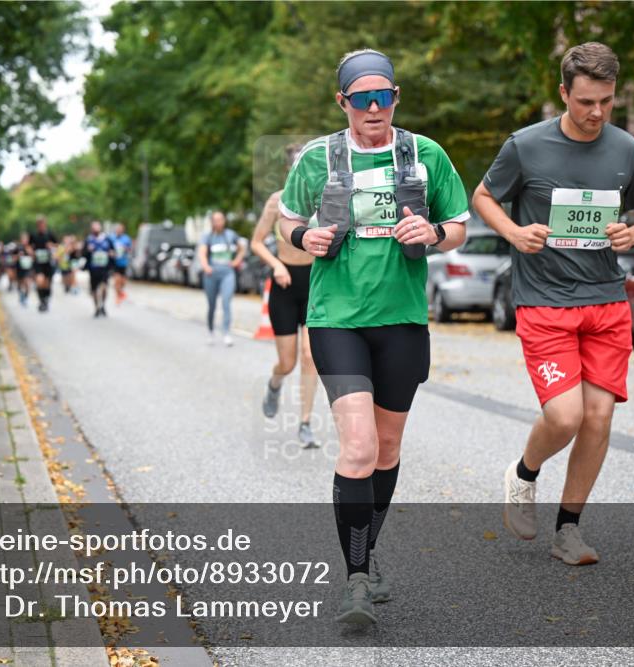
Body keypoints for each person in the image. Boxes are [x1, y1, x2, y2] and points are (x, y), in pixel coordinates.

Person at [278, 49, 469, 624]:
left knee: (386, 449)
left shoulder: (425, 155)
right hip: (336, 318)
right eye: (361, 99)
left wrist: (433, 233)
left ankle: (367, 551)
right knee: (359, 447)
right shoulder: (319, 158)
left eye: (382, 97)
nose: (372, 109)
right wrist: (304, 237)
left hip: (402, 320)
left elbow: (458, 227)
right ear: (343, 103)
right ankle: (356, 580)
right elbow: (288, 221)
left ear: (395, 97)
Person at [472, 42, 634, 566]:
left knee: (598, 418)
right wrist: (515, 232)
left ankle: (569, 530)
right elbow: (483, 197)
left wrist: (633, 233)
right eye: (585, 102)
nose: (597, 112)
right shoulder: (525, 146)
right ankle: (523, 473)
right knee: (564, 417)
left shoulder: (628, 150)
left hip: (606, 301)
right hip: (545, 301)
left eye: (606, 100)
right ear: (563, 93)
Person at [250, 144, 320, 448]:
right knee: (288, 362)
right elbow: (256, 242)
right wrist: (277, 265)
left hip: (316, 283)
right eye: (296, 169)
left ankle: (305, 423)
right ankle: (275, 382)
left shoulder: (324, 201)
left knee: (310, 356)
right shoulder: (276, 201)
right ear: (288, 170)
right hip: (285, 285)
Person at [198, 211, 245, 347]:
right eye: (215, 220)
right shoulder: (207, 237)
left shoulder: (231, 235)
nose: (218, 222)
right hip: (211, 274)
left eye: (220, 219)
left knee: (226, 302)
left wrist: (236, 261)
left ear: (224, 221)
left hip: (227, 273)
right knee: (212, 305)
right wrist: (206, 266)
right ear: (212, 222)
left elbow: (242, 249)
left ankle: (226, 333)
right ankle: (211, 331)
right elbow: (202, 253)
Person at [83, 221, 115, 317]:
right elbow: (83, 253)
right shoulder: (89, 240)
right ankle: (96, 307)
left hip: (104, 268)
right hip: (93, 269)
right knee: (94, 289)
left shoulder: (107, 239)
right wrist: (88, 250)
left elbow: (113, 251)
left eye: (97, 227)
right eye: (94, 227)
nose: (95, 229)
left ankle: (103, 305)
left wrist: (111, 254)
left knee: (104, 287)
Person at [29, 217, 58, 312]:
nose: (41, 226)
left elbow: (57, 245)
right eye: (39, 224)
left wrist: (51, 246)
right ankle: (41, 300)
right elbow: (29, 246)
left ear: (45, 224)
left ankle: (46, 299)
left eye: (43, 224)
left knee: (47, 283)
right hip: (38, 262)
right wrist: (31, 252)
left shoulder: (50, 234)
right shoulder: (33, 235)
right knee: (39, 281)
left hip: (48, 262)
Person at [110, 223, 132, 304]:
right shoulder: (111, 238)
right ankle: (117, 297)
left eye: (120, 229)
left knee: (123, 282)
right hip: (115, 262)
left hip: (123, 262)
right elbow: (108, 248)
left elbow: (130, 249)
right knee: (117, 280)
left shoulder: (126, 239)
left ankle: (120, 292)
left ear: (123, 230)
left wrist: (126, 248)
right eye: (117, 229)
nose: (119, 230)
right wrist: (111, 253)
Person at [15, 233, 34, 307]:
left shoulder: (30, 247)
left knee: (27, 283)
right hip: (19, 268)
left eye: (26, 239)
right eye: (23, 239)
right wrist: (18, 256)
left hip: (28, 268)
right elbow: (13, 258)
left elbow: (34, 257)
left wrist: (30, 252)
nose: (24, 240)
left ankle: (26, 297)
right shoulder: (18, 247)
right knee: (20, 283)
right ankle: (21, 295)